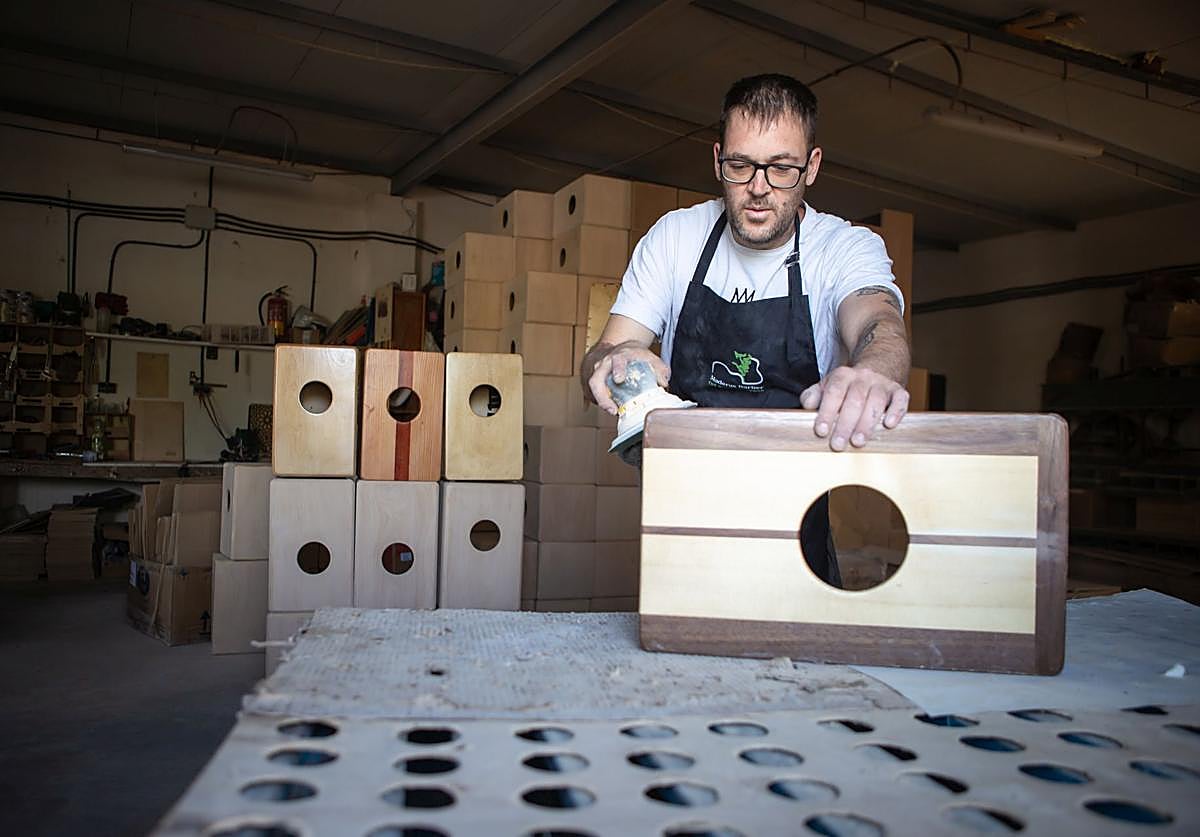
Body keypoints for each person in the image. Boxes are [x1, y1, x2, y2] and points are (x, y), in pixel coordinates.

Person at [579, 73, 911, 585]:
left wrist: (873, 372)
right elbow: (603, 352)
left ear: (812, 167)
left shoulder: (843, 248)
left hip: (799, 528)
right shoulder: (675, 239)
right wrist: (614, 362)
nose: (758, 189)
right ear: (717, 160)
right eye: (741, 166)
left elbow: (879, 323)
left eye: (781, 169)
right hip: (682, 524)